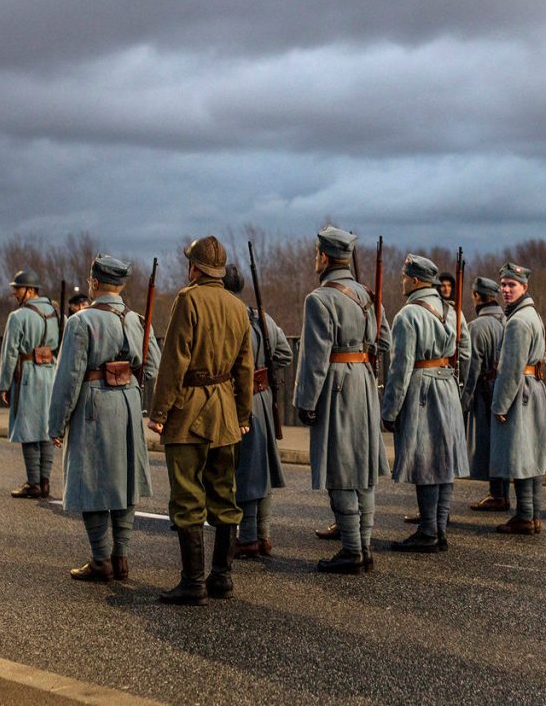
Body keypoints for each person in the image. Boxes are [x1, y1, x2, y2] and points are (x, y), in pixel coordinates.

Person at [149, 237, 253, 605]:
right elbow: (245, 369)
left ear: (194, 268)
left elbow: (174, 361)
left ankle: (193, 583)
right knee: (225, 494)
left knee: (188, 496)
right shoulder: (239, 307)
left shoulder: (188, 299)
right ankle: (222, 578)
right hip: (225, 411)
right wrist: (242, 415)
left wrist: (160, 412)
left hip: (189, 412)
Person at [49, 254, 157, 582]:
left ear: (95, 283)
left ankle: (100, 560)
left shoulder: (81, 322)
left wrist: (57, 423)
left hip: (93, 404)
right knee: (124, 480)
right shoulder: (138, 319)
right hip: (128, 404)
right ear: (121, 285)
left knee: (92, 480)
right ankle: (121, 557)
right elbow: (152, 369)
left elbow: (68, 378)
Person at [294, 226, 390, 574]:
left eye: (316, 253)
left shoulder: (320, 298)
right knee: (363, 469)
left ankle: (352, 549)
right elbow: (384, 341)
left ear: (324, 256)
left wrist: (306, 401)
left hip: (337, 387)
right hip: (363, 384)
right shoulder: (365, 294)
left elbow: (314, 360)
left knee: (340, 468)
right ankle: (362, 546)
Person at [382, 254, 468, 553]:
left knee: (427, 461)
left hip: (423, 389)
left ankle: (429, 531)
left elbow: (401, 367)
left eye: (405, 276)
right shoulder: (451, 311)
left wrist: (390, 409)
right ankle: (439, 528)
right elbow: (465, 353)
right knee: (443, 462)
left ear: (416, 280)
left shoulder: (408, 315)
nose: (402, 280)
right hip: (447, 385)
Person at [221, 264, 293, 559]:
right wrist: (264, 368)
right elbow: (285, 353)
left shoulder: (228, 317)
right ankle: (262, 535)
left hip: (238, 398)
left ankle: (248, 536)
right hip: (261, 397)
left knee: (247, 470)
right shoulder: (259, 317)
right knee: (259, 468)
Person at [489, 263, 546, 535]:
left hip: (521, 390)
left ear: (524, 287)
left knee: (522, 454)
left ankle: (526, 515)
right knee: (533, 453)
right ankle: (532, 515)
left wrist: (500, 404)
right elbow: (545, 351)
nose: (505, 290)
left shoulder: (518, 321)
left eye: (511, 285)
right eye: (503, 285)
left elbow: (511, 368)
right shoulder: (532, 315)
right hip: (533, 386)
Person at [0, 270, 61, 500]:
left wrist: (4, 384)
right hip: (50, 373)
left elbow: (9, 353)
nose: (14, 292)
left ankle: (33, 483)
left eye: (18, 288)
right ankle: (45, 482)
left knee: (29, 429)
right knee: (47, 428)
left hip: (28, 376)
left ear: (30, 290)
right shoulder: (55, 312)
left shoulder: (18, 316)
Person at [463, 277, 509, 512]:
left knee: (490, 443)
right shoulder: (509, 320)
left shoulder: (476, 327)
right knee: (504, 442)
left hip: (486, 390)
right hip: (507, 388)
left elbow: (472, 369)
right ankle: (500, 492)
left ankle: (497, 494)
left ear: (477, 296)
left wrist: (464, 401)